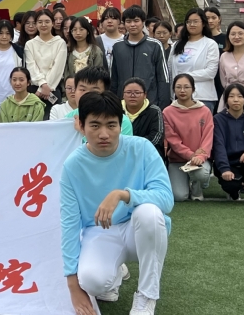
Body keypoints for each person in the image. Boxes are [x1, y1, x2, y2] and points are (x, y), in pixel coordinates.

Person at [60, 91, 171, 315]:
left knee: (149, 213)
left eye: (111, 125)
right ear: (81, 125)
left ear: (121, 125)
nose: (104, 134)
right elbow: (69, 224)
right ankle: (114, 273)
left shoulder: (142, 148)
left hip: (138, 230)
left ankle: (146, 297)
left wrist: (123, 195)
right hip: (99, 232)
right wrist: (73, 285)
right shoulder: (72, 166)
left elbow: (166, 199)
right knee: (92, 282)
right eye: (95, 125)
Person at [163, 74, 213, 202]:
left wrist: (199, 157)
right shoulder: (167, 112)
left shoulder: (204, 111)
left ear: (193, 89)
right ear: (173, 89)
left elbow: (207, 138)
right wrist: (190, 155)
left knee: (201, 174)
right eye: (178, 87)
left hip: (199, 159)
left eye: (186, 87)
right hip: (177, 160)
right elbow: (173, 141)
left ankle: (197, 186)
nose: (182, 90)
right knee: (179, 196)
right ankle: (188, 181)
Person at [110, 6, 170, 109]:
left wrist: (162, 106)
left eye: (136, 21)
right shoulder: (117, 46)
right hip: (123, 105)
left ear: (143, 22)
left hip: (150, 103)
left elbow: (163, 78)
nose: (132, 24)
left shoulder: (155, 45)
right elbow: (114, 78)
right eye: (128, 21)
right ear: (124, 23)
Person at [167, 8, 220, 115]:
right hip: (179, 98)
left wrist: (184, 78)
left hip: (202, 97)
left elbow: (210, 72)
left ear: (203, 23)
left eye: (195, 21)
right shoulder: (177, 45)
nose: (192, 24)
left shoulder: (210, 44)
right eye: (189, 21)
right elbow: (170, 69)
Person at [58, 67, 134, 137]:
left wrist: (84, 132)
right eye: (82, 89)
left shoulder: (121, 122)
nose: (87, 95)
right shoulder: (68, 118)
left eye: (94, 91)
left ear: (105, 93)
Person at [24, 10, 67, 118]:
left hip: (52, 90)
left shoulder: (60, 43)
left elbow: (58, 69)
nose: (43, 25)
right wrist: (42, 85)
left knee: (53, 121)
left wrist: (44, 89)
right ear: (36, 24)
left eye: (47, 21)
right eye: (40, 22)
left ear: (52, 23)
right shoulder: (30, 44)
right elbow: (31, 67)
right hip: (34, 90)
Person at [121, 77, 165, 158]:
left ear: (145, 95)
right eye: (128, 92)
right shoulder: (116, 110)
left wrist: (133, 147)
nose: (132, 95)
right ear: (123, 95)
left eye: (137, 93)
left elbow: (156, 137)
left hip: (148, 154)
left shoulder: (154, 111)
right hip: (122, 154)